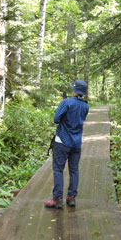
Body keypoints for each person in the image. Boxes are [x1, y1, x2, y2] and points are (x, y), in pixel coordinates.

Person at [45, 80, 89, 209]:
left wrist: (62, 105)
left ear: (75, 91)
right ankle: (71, 197)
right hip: (76, 143)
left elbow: (56, 119)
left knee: (58, 169)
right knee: (74, 170)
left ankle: (57, 198)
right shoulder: (86, 106)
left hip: (62, 141)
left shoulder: (66, 102)